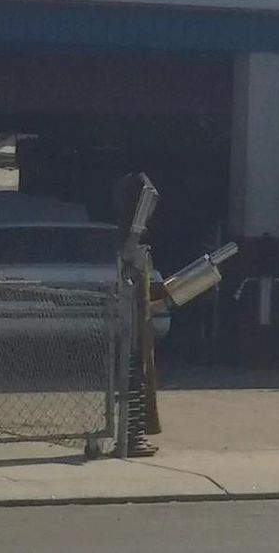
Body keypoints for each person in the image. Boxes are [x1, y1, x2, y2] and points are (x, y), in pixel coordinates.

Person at [112, 172, 163, 454]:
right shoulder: (129, 241)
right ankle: (130, 438)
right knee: (134, 375)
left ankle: (136, 435)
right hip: (131, 325)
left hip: (139, 323)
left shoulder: (135, 241)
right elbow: (129, 279)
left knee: (141, 375)